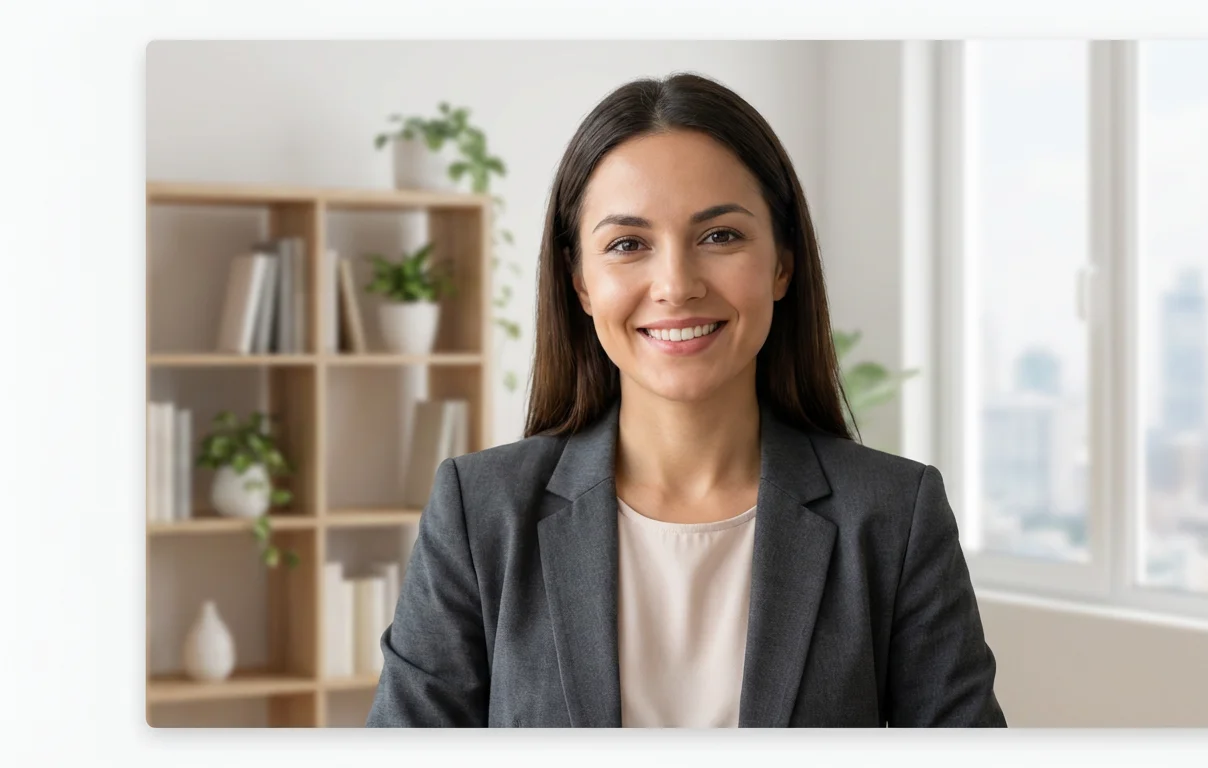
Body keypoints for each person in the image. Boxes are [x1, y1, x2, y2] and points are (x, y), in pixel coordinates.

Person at [366, 72, 1006, 728]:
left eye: (720, 236)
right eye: (627, 245)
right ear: (580, 282)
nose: (675, 285)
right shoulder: (481, 515)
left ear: (782, 262)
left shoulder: (894, 519)